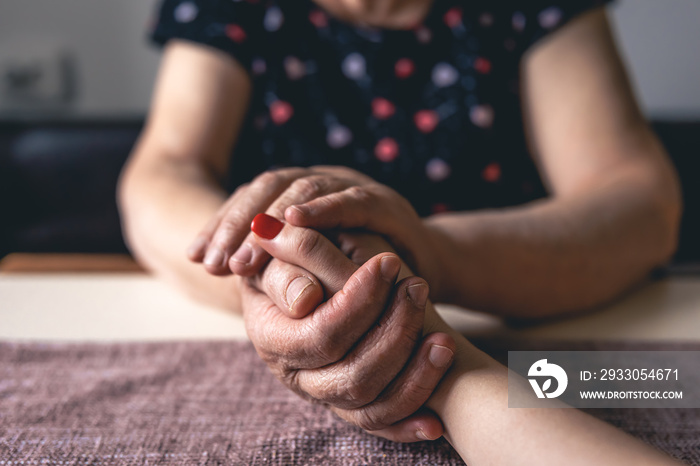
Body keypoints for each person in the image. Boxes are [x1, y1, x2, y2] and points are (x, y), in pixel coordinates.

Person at [117, 0, 682, 456]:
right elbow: (160, 177)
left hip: (548, 335)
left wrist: (425, 255)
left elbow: (639, 204)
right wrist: (289, 276)